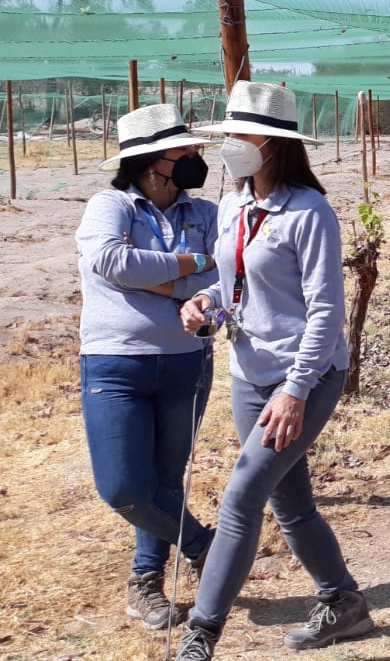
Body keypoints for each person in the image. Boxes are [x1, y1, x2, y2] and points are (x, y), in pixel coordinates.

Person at [176, 81, 370, 656]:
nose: (229, 142)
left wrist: (296, 389)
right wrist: (207, 302)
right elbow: (233, 281)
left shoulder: (309, 212)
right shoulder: (234, 204)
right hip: (248, 372)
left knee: (240, 498)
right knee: (290, 502)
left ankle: (201, 634)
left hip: (304, 377)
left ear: (274, 142)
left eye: (239, 133)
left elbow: (326, 311)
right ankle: (344, 602)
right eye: (227, 133)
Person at [76, 104, 218, 629]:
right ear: (151, 160)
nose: (197, 157)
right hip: (115, 365)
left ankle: (146, 583)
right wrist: (193, 266)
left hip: (187, 364)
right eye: (185, 150)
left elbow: (225, 276)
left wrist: (167, 279)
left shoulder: (204, 213)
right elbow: (112, 262)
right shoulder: (111, 205)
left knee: (165, 480)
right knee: (122, 488)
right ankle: (205, 543)